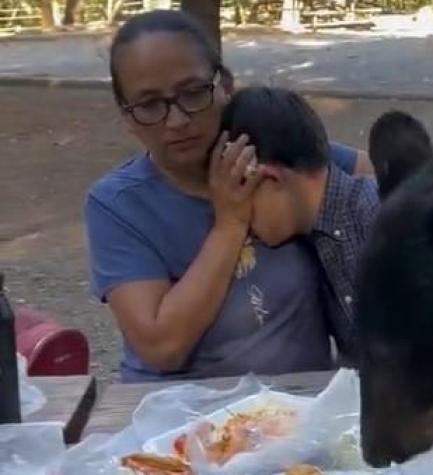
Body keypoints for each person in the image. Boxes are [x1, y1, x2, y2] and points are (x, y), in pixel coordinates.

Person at [84, 9, 372, 382]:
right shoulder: (118, 205)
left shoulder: (273, 153)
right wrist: (229, 225)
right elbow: (161, 347)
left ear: (226, 86)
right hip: (178, 419)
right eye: (149, 105)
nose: (177, 120)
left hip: (302, 410)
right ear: (126, 117)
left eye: (193, 93)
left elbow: (390, 183)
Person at [222, 86, 379, 362]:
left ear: (269, 178)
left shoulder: (377, 216)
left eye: (240, 197)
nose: (242, 221)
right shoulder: (313, 236)